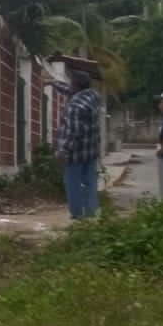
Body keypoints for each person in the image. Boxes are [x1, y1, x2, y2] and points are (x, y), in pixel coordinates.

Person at [53, 69, 103, 220]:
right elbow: (70, 91)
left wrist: (63, 150)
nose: (70, 86)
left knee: (72, 182)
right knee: (90, 181)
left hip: (76, 152)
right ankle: (91, 211)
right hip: (91, 150)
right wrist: (53, 83)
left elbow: (74, 131)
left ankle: (77, 214)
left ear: (76, 85)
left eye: (71, 83)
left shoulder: (75, 106)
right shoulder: (93, 96)